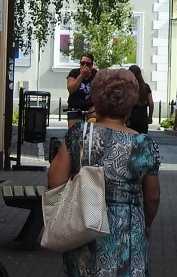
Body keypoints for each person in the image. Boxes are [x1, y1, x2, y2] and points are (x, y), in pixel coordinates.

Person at [49, 67, 161, 277]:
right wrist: (146, 224)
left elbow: (55, 180)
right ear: (130, 107)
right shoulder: (143, 144)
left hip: (83, 227)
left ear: (96, 102)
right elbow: (153, 197)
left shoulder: (79, 135)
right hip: (128, 231)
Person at [65, 52, 97, 124]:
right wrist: (81, 75)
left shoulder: (96, 74)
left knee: (95, 124)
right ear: (80, 64)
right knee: (74, 130)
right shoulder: (74, 73)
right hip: (75, 106)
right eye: (83, 63)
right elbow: (71, 89)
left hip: (91, 107)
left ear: (92, 65)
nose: (85, 66)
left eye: (88, 64)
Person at [126, 65, 154, 134]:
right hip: (143, 118)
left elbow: (127, 104)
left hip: (131, 118)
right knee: (142, 139)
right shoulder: (146, 87)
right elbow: (151, 104)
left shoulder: (129, 87)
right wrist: (150, 117)